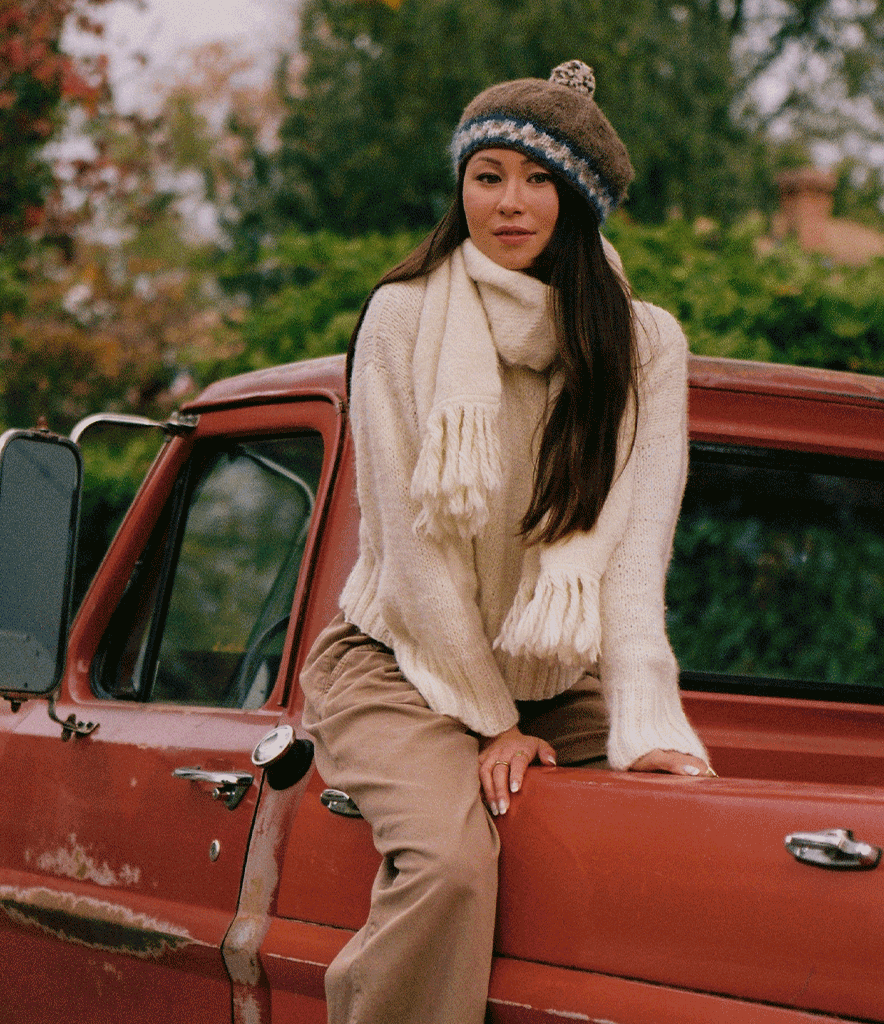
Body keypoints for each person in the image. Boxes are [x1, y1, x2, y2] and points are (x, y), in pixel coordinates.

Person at [300, 60, 714, 1024]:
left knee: (685, 826)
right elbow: (412, 551)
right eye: (487, 175)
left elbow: (636, 542)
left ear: (580, 200)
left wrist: (647, 724)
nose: (511, 203)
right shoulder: (403, 315)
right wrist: (494, 723)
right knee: (448, 864)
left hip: (549, 669)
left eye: (539, 181)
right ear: (461, 187)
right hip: (398, 661)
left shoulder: (644, 342)